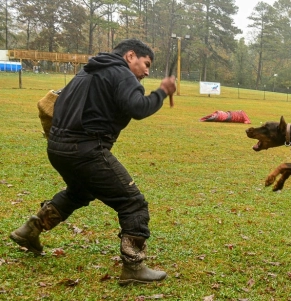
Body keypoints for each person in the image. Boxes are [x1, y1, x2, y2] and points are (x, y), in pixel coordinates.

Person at [10, 38, 176, 285]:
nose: (147, 71)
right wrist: (162, 91)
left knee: (80, 192)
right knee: (133, 203)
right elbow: (138, 108)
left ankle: (30, 230)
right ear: (131, 56)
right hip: (86, 149)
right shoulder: (121, 73)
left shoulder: (87, 71)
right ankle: (134, 267)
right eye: (146, 63)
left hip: (57, 147)